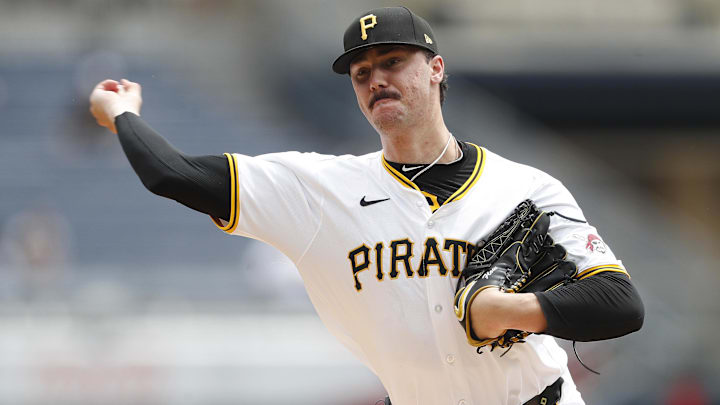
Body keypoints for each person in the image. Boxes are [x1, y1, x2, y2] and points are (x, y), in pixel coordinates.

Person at [89, 7, 644, 405]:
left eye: (393, 61)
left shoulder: (523, 188)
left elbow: (620, 303)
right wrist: (122, 113)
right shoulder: (315, 191)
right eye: (361, 74)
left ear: (435, 68)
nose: (376, 78)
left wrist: (512, 311)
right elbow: (171, 174)